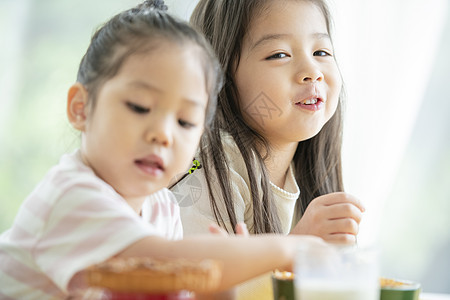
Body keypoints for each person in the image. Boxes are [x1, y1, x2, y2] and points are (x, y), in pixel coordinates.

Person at [0, 1, 325, 299]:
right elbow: (156, 262)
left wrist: (221, 287)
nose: (163, 135)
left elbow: (168, 287)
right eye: (140, 107)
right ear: (81, 108)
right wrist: (288, 249)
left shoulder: (162, 208)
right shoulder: (71, 196)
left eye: (185, 122)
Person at [168, 0, 365, 298]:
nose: (312, 71)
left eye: (321, 52)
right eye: (279, 55)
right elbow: (191, 288)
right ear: (220, 79)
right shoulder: (209, 171)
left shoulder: (303, 170)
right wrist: (296, 249)